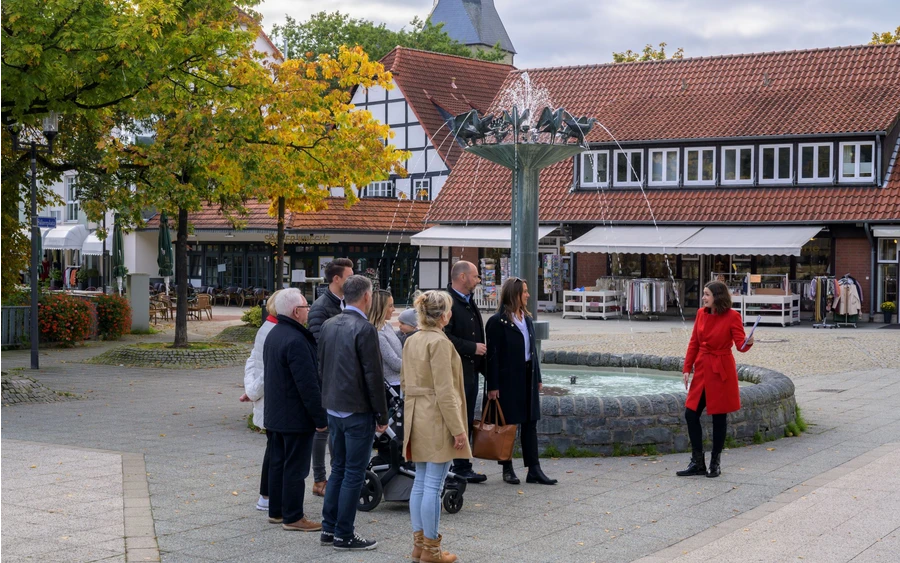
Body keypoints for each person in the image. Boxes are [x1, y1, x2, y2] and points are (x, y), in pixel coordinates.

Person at [318, 275, 389, 551]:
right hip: (357, 410)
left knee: (338, 470)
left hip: (334, 407)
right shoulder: (365, 328)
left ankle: (329, 528)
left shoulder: (328, 324)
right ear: (367, 297)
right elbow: (374, 376)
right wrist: (382, 416)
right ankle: (344, 534)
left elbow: (321, 366)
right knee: (353, 474)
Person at [402, 291, 469, 563]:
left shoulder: (412, 340)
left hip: (416, 412)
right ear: (444, 315)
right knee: (433, 484)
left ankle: (420, 544)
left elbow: (405, 382)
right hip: (436, 415)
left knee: (420, 481)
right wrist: (458, 429)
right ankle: (431, 549)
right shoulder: (439, 343)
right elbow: (445, 391)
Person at [262, 288, 327, 532]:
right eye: (305, 306)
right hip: (295, 415)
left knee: (278, 462)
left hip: (277, 413)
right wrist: (319, 418)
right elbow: (307, 384)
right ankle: (293, 516)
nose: (308, 310)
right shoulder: (296, 339)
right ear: (295, 311)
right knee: (296, 467)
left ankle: (277, 511)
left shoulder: (275, 333)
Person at [677, 281, 754, 479]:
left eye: (707, 294)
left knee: (719, 417)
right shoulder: (701, 314)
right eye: (704, 294)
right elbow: (694, 342)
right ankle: (697, 462)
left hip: (721, 370)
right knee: (690, 414)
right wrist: (687, 368)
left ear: (717, 296)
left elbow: (740, 345)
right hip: (703, 368)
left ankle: (715, 463)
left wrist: (749, 341)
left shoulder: (732, 316)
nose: (703, 298)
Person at [485, 277, 557, 486]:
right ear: (513, 294)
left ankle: (534, 469)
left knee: (530, 422)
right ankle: (507, 468)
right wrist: (493, 386)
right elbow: (493, 357)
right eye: (524, 291)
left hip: (528, 375)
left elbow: (532, 351)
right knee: (508, 424)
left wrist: (538, 378)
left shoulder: (526, 319)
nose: (527, 295)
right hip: (508, 379)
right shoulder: (497, 322)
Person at [307, 257, 354, 497]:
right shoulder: (321, 307)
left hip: (341, 378)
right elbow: (319, 345)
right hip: (325, 378)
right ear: (336, 279)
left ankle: (337, 475)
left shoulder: (345, 303)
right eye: (349, 275)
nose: (352, 279)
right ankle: (319, 480)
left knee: (336, 430)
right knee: (323, 429)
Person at [443, 260, 487, 484]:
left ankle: (461, 464)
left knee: (467, 417)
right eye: (475, 276)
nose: (478, 280)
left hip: (471, 371)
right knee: (459, 419)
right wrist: (472, 347)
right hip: (456, 372)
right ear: (462, 277)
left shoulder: (468, 301)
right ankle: (458, 466)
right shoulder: (447, 302)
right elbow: (443, 337)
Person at [239, 289, 281, 512]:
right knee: (275, 451)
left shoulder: (267, 327)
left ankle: (266, 496)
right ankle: (267, 496)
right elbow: (265, 369)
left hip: (265, 398)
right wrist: (253, 391)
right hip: (271, 400)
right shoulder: (273, 330)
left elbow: (253, 362)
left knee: (272, 449)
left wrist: (251, 390)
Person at [370, 289, 403, 393]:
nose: (393, 309)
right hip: (392, 386)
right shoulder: (377, 333)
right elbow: (395, 363)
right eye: (390, 306)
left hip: (400, 381)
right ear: (380, 308)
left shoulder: (387, 325)